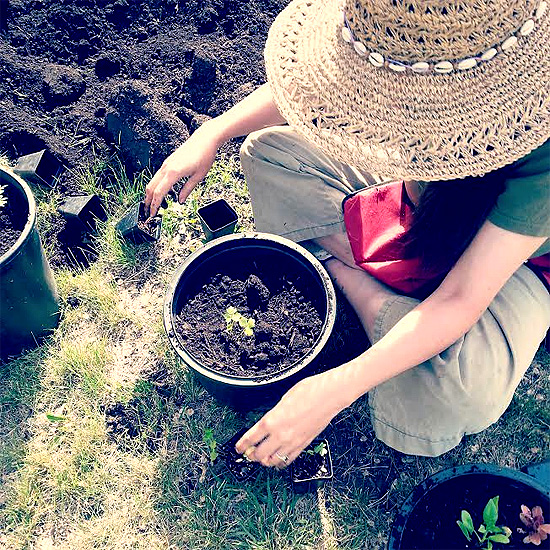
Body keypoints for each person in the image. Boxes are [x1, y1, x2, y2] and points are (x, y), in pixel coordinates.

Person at [145, 0, 550, 461]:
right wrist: (212, 133)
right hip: (430, 202)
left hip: (520, 260)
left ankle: (347, 276)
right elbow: (320, 89)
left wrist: (335, 388)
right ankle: (402, 308)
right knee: (270, 153)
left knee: (457, 393)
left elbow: (463, 297)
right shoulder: (412, 27)